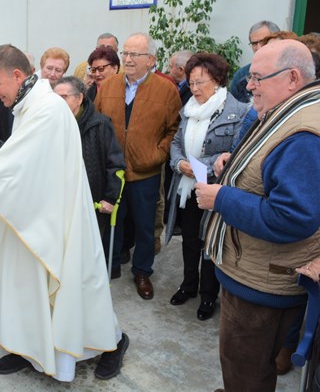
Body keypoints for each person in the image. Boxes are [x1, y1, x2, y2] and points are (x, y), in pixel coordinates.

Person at [0, 44, 127, 382]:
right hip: (39, 208)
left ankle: (111, 342)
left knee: (74, 280)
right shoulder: (30, 105)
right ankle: (34, 349)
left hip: (58, 213)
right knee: (32, 282)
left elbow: (15, 162)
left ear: (17, 75)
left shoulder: (47, 109)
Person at [196, 40, 320, 392]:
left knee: (245, 369)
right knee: (245, 368)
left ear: (293, 77)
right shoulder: (292, 110)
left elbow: (292, 217)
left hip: (263, 284)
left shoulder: (303, 134)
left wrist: (222, 197)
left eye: (256, 78)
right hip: (257, 272)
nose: (248, 86)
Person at [94, 32, 181, 300]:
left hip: (146, 171)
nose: (128, 59)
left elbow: (174, 129)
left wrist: (157, 153)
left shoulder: (166, 90)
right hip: (114, 170)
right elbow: (97, 122)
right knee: (112, 221)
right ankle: (110, 265)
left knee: (144, 225)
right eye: (126, 54)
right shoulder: (108, 86)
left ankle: (142, 271)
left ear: (150, 59)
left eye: (135, 54)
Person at [164, 53, 249, 321]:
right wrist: (180, 164)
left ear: (218, 80)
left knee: (210, 244)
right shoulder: (189, 108)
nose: (195, 88)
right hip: (188, 186)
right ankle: (189, 284)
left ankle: (208, 295)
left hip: (215, 190)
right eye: (191, 82)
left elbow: (235, 153)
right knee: (189, 239)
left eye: (201, 82)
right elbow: (176, 143)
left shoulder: (237, 112)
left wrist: (199, 163)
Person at [53, 76, 126, 277]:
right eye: (55, 98)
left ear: (79, 98)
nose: (59, 102)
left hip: (94, 202)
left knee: (91, 250)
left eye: (64, 97)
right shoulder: (52, 125)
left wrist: (110, 198)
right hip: (63, 201)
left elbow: (116, 164)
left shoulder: (100, 125)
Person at [229, 20, 280, 103]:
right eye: (254, 43)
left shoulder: (287, 73)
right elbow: (232, 108)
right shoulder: (241, 75)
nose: (259, 47)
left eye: (263, 41)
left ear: (277, 41)